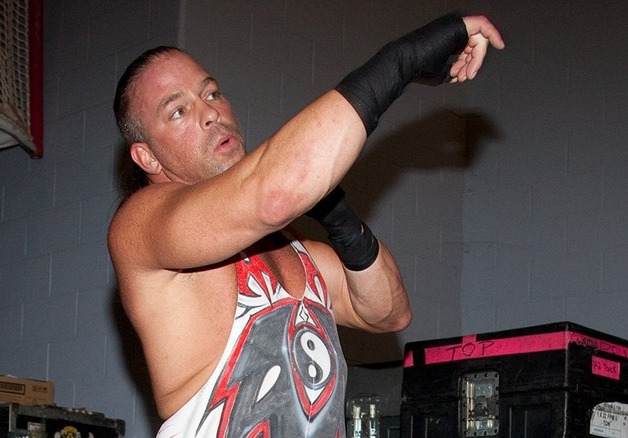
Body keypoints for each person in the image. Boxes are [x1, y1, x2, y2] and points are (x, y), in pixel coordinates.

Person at [108, 12, 504, 437]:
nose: (210, 113)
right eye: (178, 111)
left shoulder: (297, 252)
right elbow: (273, 195)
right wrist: (401, 61)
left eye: (212, 93)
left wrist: (343, 222)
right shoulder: (139, 226)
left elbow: (389, 312)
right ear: (147, 157)